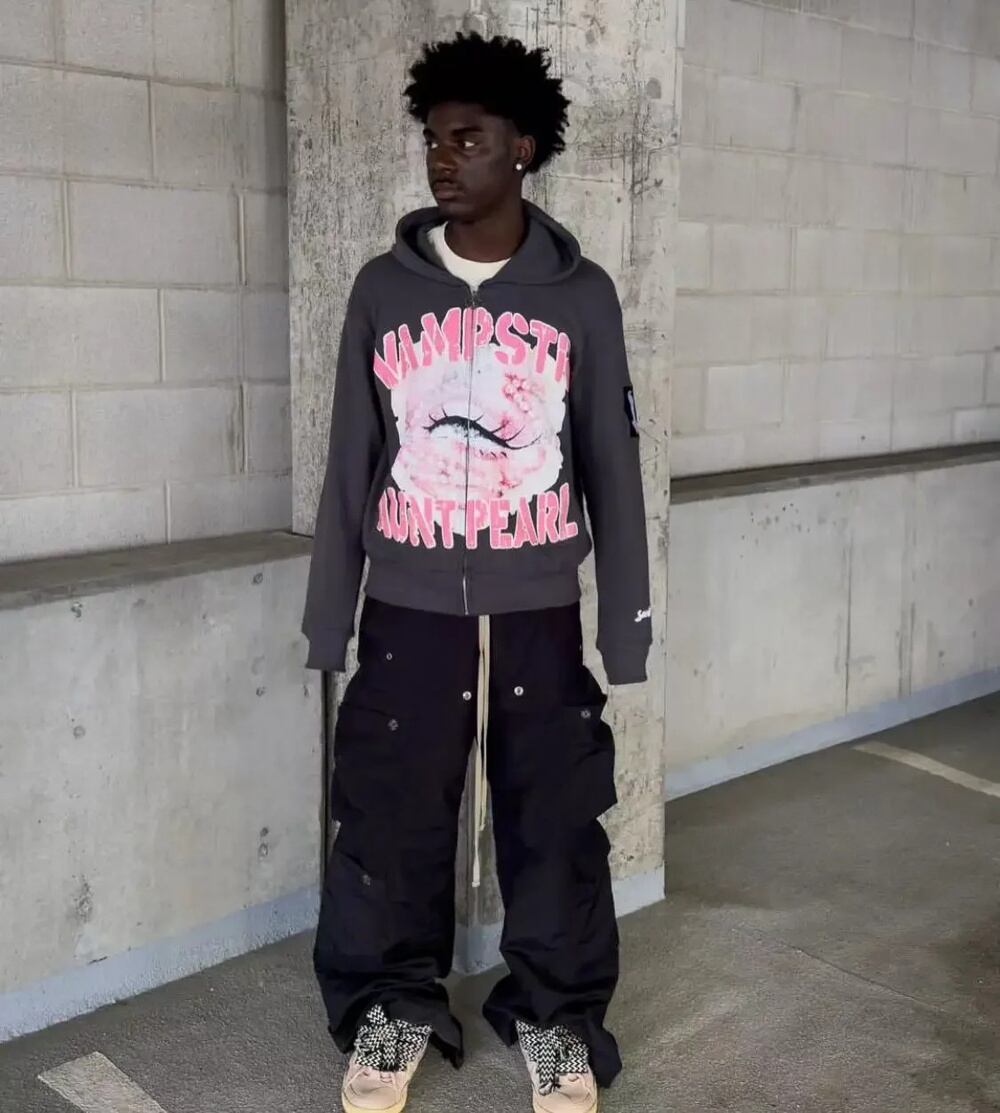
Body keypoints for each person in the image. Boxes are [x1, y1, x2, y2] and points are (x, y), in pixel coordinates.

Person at [303, 31, 651, 1113]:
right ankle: (389, 1007)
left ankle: (557, 1019)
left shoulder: (580, 296)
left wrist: (626, 625)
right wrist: (328, 617)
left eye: (468, 139)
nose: (442, 159)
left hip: (538, 609)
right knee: (389, 819)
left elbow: (612, 464)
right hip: (407, 611)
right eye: (433, 140)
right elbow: (350, 461)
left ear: (524, 148)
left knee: (555, 824)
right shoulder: (383, 290)